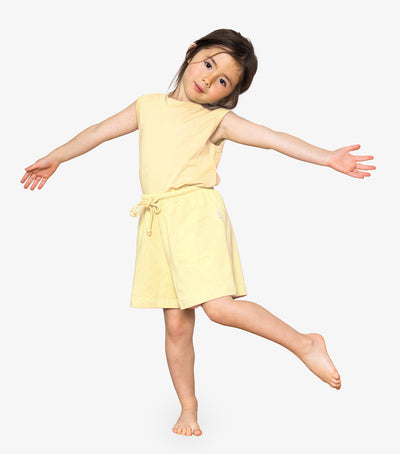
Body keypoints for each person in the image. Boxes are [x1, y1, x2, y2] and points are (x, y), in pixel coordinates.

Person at [20, 28, 376, 437]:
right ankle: (188, 409)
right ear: (191, 52)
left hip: (196, 217)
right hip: (158, 223)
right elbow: (98, 131)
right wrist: (57, 157)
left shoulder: (215, 120)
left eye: (222, 80)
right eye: (208, 64)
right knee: (176, 325)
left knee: (219, 308)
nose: (208, 79)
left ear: (229, 93)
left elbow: (273, 139)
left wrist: (327, 157)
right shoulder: (147, 105)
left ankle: (305, 343)